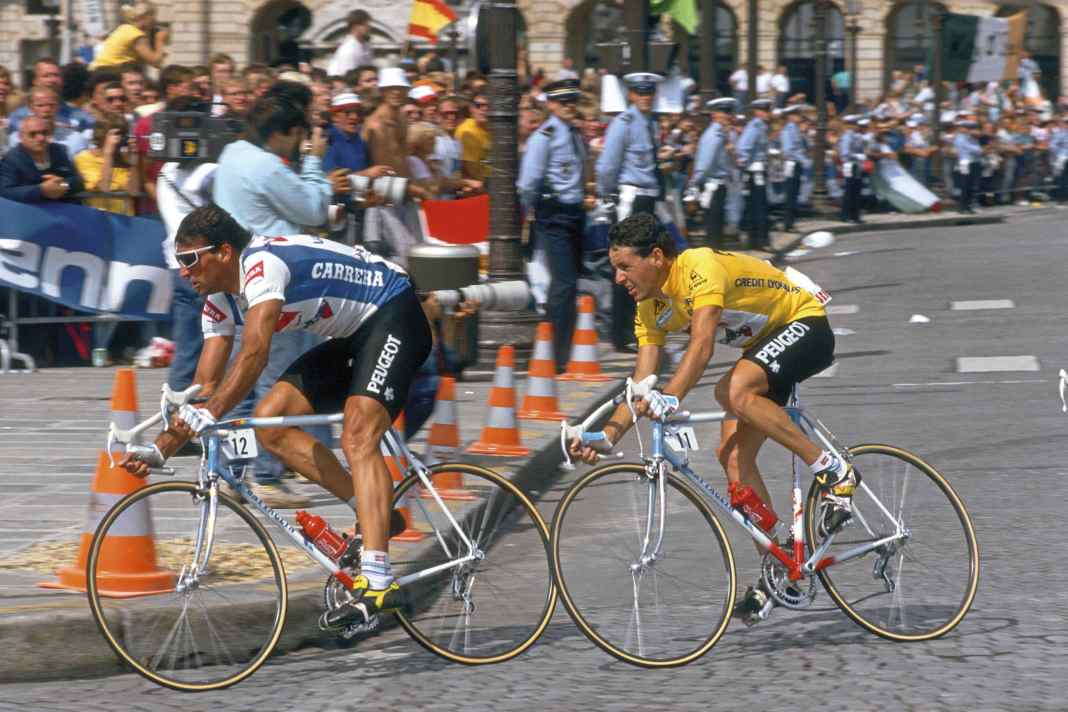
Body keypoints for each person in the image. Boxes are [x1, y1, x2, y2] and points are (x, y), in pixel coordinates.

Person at [119, 203, 432, 635]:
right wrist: (161, 445)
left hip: (394, 311)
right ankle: (375, 512)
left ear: (224, 252)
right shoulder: (218, 302)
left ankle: (378, 580)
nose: (183, 270)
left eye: (190, 259)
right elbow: (204, 387)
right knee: (272, 424)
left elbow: (254, 355)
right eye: (178, 262)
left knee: (358, 436)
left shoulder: (261, 267)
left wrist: (202, 417)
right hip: (354, 335)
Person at [568, 212, 853, 625]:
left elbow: (701, 345)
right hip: (766, 347)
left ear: (659, 258)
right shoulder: (650, 306)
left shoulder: (698, 267)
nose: (617, 278)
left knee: (732, 391)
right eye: (615, 268)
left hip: (803, 323)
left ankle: (833, 469)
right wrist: (606, 436)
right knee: (732, 458)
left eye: (625, 267)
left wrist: (671, 397)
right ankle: (781, 569)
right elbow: (641, 380)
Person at [596, 71, 672, 353]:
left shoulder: (651, 123)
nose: (645, 97)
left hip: (649, 198)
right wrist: (607, 197)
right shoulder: (623, 123)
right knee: (627, 267)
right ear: (631, 95)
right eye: (640, 92)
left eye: (650, 92)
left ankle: (642, 326)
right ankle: (621, 332)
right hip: (631, 198)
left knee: (648, 266)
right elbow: (607, 166)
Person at [517, 79, 588, 372]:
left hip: (574, 212)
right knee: (563, 283)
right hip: (554, 213)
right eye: (564, 102)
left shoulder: (573, 134)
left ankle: (565, 349)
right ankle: (555, 354)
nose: (570, 106)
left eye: (573, 101)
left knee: (571, 283)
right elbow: (527, 183)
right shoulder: (543, 137)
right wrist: (531, 214)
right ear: (551, 105)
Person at [0, 115, 85, 203]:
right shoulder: (11, 160)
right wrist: (40, 190)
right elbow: (5, 192)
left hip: (64, 209)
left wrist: (62, 184)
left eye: (44, 133)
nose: (41, 138)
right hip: (30, 211)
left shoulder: (59, 150)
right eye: (33, 134)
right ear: (20, 136)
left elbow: (78, 182)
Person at [687, 97, 734, 248]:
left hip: (718, 184)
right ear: (714, 114)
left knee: (717, 227)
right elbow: (705, 164)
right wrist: (695, 183)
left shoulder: (721, 134)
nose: (728, 115)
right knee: (713, 229)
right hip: (712, 186)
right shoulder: (714, 135)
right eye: (724, 112)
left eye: (729, 111)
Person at [73, 113, 141, 215]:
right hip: (99, 220)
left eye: (123, 134)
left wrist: (133, 163)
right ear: (102, 135)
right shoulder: (84, 158)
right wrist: (108, 154)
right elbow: (104, 187)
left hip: (126, 220)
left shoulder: (124, 157)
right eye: (117, 134)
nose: (120, 138)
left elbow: (134, 191)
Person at [736, 99, 771, 250]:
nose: (767, 113)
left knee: (758, 206)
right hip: (754, 171)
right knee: (758, 206)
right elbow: (744, 147)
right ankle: (759, 241)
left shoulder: (761, 126)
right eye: (764, 110)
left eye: (767, 110)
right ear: (757, 111)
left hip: (759, 169)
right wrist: (744, 165)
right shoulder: (754, 127)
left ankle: (757, 239)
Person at [91, 1, 168, 70]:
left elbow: (152, 63)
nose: (155, 21)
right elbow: (155, 61)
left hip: (99, 70)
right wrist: (159, 40)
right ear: (146, 17)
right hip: (108, 73)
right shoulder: (137, 35)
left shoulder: (124, 28)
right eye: (153, 17)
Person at [778, 104, 807, 233]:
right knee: (790, 195)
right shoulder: (787, 131)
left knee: (794, 194)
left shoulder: (795, 129)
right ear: (790, 116)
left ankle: (791, 222)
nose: (798, 117)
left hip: (797, 164)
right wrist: (804, 160)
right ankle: (788, 224)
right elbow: (788, 151)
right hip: (791, 164)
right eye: (796, 114)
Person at [329, 10, 376, 78]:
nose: (368, 28)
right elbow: (348, 78)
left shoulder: (366, 46)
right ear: (355, 26)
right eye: (365, 25)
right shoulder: (348, 50)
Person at [455, 93, 490, 182]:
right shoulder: (466, 131)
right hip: (479, 187)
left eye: (488, 105)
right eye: (478, 105)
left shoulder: (494, 128)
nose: (484, 109)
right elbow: (470, 171)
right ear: (471, 109)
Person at [837, 114, 864, 223]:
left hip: (856, 165)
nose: (855, 126)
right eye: (853, 124)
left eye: (855, 123)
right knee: (849, 190)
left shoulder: (856, 136)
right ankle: (846, 215)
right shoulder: (847, 136)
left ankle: (855, 216)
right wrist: (856, 156)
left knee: (856, 191)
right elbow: (845, 153)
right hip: (849, 165)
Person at [954, 119, 982, 214]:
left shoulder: (971, 138)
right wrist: (979, 149)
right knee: (965, 184)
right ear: (961, 128)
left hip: (974, 162)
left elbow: (978, 149)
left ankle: (968, 206)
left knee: (971, 185)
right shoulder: (960, 138)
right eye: (967, 128)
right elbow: (975, 150)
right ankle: (962, 207)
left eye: (970, 128)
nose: (969, 129)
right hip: (964, 162)